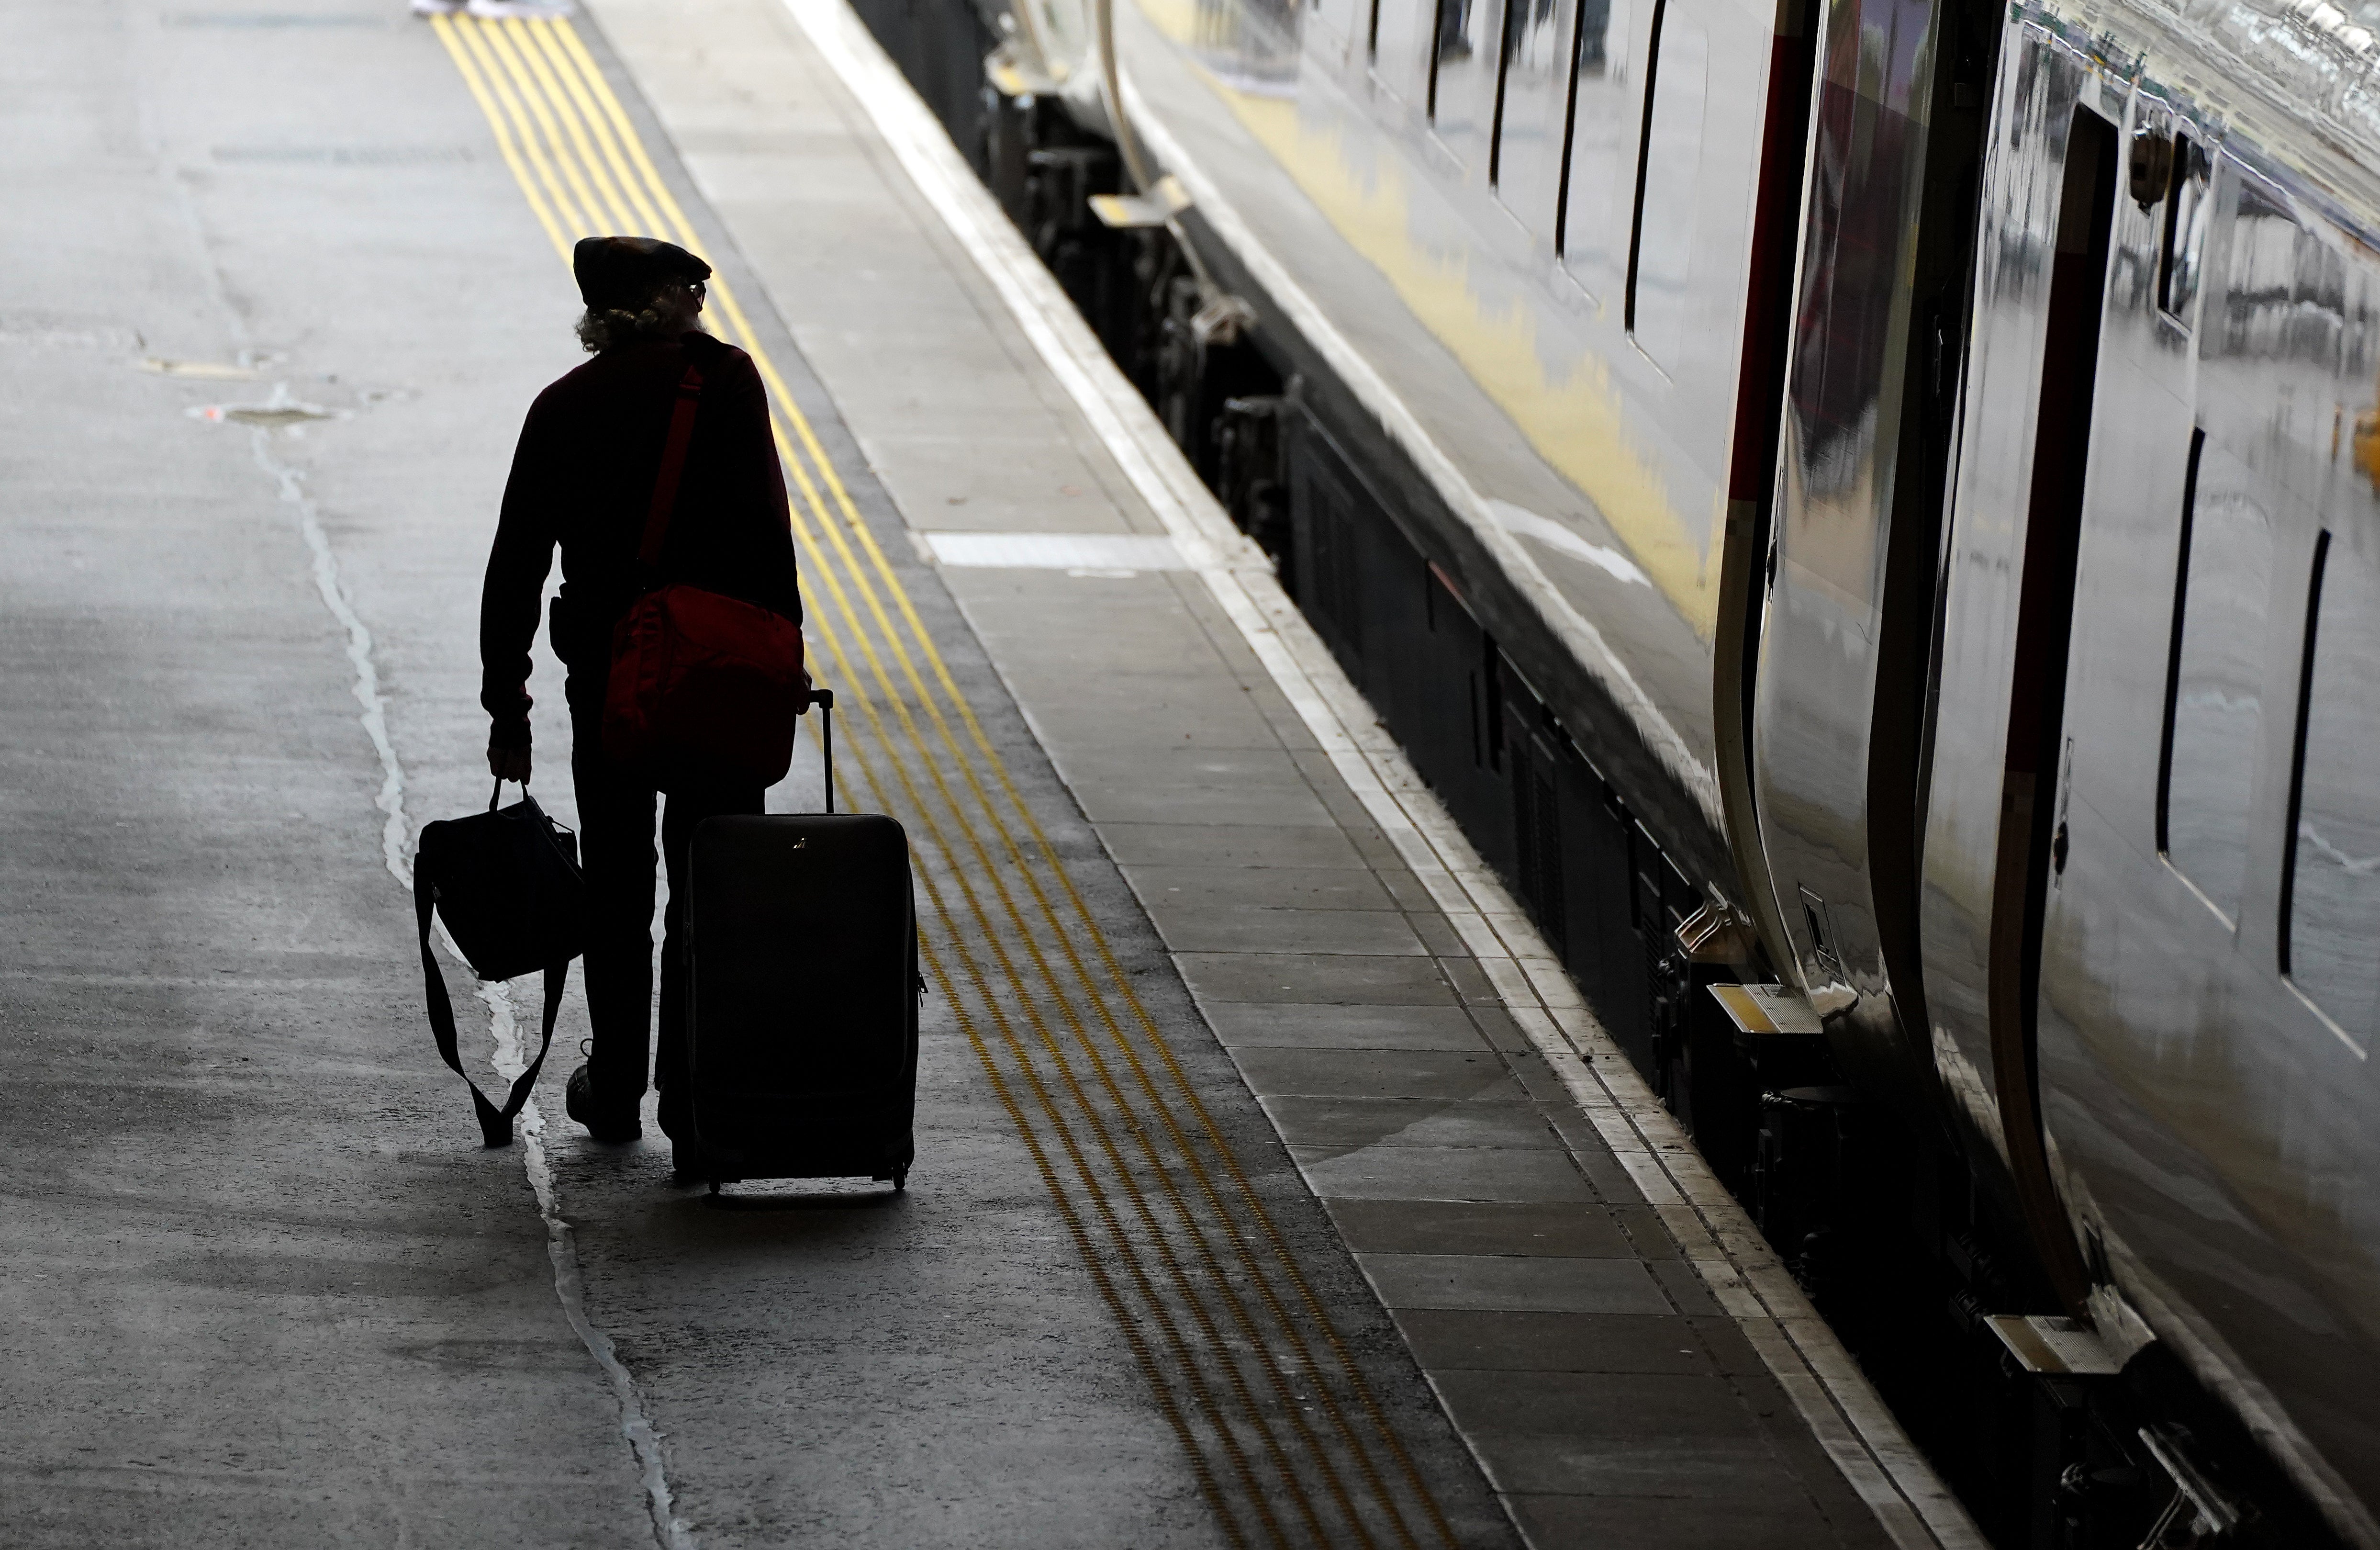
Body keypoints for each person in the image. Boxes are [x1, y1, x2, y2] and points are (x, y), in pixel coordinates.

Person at [479, 236, 800, 1146]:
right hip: (716, 680)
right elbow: (766, 534)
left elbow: (516, 565)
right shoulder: (729, 383)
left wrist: (508, 701)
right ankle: (695, 1102)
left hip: (610, 681)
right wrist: (782, 657)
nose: (703, 298)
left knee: (617, 888)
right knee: (711, 885)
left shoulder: (561, 407)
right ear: (667, 302)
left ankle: (616, 1084)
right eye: (691, 286)